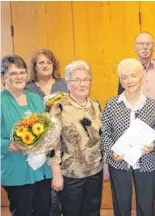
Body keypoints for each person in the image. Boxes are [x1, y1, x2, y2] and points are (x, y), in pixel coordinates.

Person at [118, 31, 155, 216]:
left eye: (148, 43)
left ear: (153, 46)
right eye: (140, 44)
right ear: (134, 47)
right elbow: (121, 103)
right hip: (137, 138)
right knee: (141, 183)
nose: (144, 47)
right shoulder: (127, 70)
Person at [102, 58, 155, 216]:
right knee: (121, 206)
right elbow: (105, 133)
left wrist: (154, 145)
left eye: (133, 75)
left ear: (141, 77)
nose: (129, 80)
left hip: (147, 162)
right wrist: (112, 152)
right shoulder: (112, 104)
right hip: (119, 162)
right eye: (124, 77)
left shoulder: (154, 105)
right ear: (121, 81)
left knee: (146, 206)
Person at [48, 60, 104, 216]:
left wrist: (104, 164)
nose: (82, 84)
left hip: (94, 172)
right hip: (71, 175)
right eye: (76, 80)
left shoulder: (95, 105)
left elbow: (101, 137)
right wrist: (56, 174)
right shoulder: (59, 107)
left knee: (93, 212)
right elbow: (52, 143)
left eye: (85, 79)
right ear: (67, 83)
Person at [1, 54, 52, 216]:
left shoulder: (36, 98)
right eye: (13, 73)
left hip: (42, 170)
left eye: (22, 72)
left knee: (43, 210)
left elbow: (46, 128)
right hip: (17, 171)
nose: (19, 77)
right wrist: (13, 145)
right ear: (3, 77)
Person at [25, 49, 67, 216]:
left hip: (64, 143)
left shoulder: (63, 84)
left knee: (65, 189)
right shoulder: (28, 88)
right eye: (41, 62)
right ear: (34, 67)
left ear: (54, 65)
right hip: (40, 146)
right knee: (47, 193)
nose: (45, 65)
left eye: (48, 62)